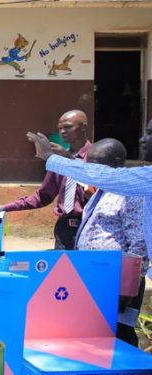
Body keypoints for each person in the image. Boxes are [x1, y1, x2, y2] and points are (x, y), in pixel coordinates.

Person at [72, 138, 147, 347]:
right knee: (96, 338)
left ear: (114, 163)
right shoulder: (102, 192)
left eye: (95, 164)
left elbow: (140, 244)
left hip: (118, 283)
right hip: (94, 277)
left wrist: (127, 288)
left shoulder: (131, 193)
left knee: (119, 338)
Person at [0, 110, 92, 250]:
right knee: (65, 270)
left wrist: (68, 159)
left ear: (83, 127)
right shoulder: (57, 160)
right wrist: (5, 207)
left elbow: (96, 182)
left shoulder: (98, 155)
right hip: (65, 230)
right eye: (60, 128)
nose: (62, 132)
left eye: (68, 127)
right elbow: (42, 196)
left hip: (90, 227)